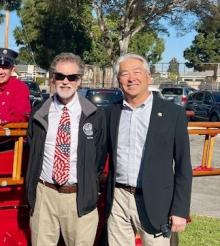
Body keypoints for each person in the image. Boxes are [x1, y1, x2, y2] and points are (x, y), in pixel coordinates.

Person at [105, 53, 192, 245]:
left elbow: (183, 166)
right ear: (119, 79)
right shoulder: (111, 112)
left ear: (148, 76)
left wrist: (180, 210)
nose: (131, 78)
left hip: (156, 201)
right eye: (124, 73)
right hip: (118, 198)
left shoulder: (173, 113)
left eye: (137, 72)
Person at [25, 52, 107, 246]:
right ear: (52, 78)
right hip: (45, 194)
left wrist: (88, 187)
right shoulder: (39, 113)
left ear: (79, 81)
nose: (65, 81)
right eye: (60, 76)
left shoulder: (95, 116)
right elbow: (32, 148)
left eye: (72, 77)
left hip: (78, 196)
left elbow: (99, 157)